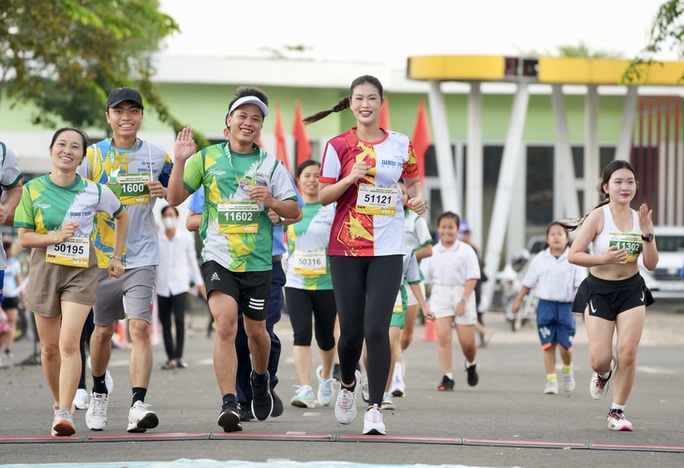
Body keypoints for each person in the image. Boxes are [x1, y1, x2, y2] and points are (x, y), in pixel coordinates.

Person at [167, 86, 300, 432]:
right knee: (225, 325)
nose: (248, 122)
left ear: (260, 127)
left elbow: (295, 209)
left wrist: (271, 201)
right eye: (242, 116)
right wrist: (180, 160)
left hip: (258, 262)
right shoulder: (207, 159)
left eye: (256, 118)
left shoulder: (271, 165)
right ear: (228, 122)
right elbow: (176, 198)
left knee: (257, 333)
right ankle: (229, 402)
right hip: (218, 258)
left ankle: (259, 381)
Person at [305, 74, 427, 435]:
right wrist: (350, 178)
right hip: (345, 248)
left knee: (378, 328)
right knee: (350, 334)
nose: (365, 105)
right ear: (351, 103)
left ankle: (375, 407)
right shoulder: (338, 145)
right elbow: (324, 196)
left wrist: (418, 197)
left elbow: (414, 182)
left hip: (389, 249)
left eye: (372, 98)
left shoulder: (401, 144)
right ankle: (347, 387)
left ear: (381, 103)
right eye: (359, 98)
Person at [14, 127, 129, 436]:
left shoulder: (94, 190)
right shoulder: (32, 189)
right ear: (52, 150)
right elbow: (24, 237)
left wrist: (117, 257)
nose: (68, 150)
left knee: (68, 342)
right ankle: (59, 405)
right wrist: (55, 237)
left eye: (75, 146)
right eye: (62, 144)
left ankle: (65, 412)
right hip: (44, 270)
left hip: (81, 272)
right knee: (49, 349)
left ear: (81, 156)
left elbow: (122, 216)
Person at [78, 87, 173, 433]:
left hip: (143, 254)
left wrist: (166, 190)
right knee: (102, 331)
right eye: (119, 111)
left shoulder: (156, 155)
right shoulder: (91, 156)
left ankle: (137, 402)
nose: (126, 117)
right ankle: (99, 388)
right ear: (108, 117)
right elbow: (74, 195)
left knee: (140, 328)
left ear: (141, 116)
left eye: (133, 111)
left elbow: (176, 192)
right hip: (101, 257)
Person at [185, 172, 303, 423]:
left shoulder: (272, 168)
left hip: (267, 265)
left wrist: (277, 213)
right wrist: (226, 213)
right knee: (235, 335)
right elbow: (191, 220)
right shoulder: (211, 169)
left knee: (262, 332)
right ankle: (242, 399)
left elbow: (296, 212)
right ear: (228, 132)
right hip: (226, 265)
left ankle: (264, 380)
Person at [566, 159, 658, 432]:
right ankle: (603, 374)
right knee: (600, 358)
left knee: (627, 352)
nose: (624, 186)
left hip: (632, 290)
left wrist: (648, 234)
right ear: (606, 187)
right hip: (599, 290)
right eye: (618, 182)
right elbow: (574, 255)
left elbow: (651, 264)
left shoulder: (641, 219)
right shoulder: (598, 217)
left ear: (636, 186)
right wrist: (603, 258)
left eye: (630, 181)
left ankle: (617, 412)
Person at [284, 160, 337, 409]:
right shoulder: (292, 208)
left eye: (317, 176)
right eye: (307, 175)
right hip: (297, 282)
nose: (313, 180)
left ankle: (325, 378)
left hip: (328, 283)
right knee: (301, 334)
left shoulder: (332, 208)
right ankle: (305, 388)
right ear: (299, 180)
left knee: (326, 338)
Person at [512, 221, 586, 394]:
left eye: (560, 234)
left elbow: (581, 286)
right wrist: (518, 302)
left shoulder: (574, 258)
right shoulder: (539, 259)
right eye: (552, 234)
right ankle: (551, 380)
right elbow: (528, 283)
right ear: (547, 238)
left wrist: (582, 306)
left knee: (564, 346)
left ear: (567, 238)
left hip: (566, 307)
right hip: (545, 306)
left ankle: (567, 370)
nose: (556, 237)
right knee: (548, 345)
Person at [420, 212, 481, 392]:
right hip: (440, 293)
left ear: (457, 229)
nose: (447, 231)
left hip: (463, 293)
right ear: (438, 229)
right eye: (443, 227)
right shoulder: (432, 251)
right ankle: (447, 376)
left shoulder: (466, 250)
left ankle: (471, 363)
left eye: (451, 227)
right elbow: (425, 278)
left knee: (467, 344)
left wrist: (463, 300)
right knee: (444, 337)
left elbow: (472, 277)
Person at [390, 180, 433, 397]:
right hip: (389, 285)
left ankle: (397, 360)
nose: (399, 195)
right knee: (392, 337)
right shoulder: (380, 220)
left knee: (405, 338)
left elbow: (428, 250)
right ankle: (395, 375)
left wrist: (403, 259)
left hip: (411, 284)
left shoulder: (415, 220)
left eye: (403, 192)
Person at [381, 246, 430, 411]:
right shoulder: (370, 240)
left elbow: (414, 279)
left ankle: (385, 393)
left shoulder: (406, 249)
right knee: (369, 351)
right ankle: (372, 379)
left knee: (390, 342)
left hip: (396, 297)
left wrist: (424, 307)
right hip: (372, 296)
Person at [156, 205, 205, 370]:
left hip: (179, 284)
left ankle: (179, 356)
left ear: (176, 217)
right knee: (165, 322)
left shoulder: (185, 238)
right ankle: (171, 358)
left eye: (171, 214)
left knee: (179, 320)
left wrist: (199, 283)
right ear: (162, 218)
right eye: (166, 215)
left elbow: (192, 261)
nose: (169, 218)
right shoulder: (156, 238)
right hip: (162, 286)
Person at [459, 221, 492, 347]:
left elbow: (478, 269)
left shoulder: (472, 249)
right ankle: (481, 335)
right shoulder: (462, 248)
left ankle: (483, 335)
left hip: (474, 286)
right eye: (463, 233)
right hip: (464, 286)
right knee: (470, 313)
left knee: (474, 312)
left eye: (467, 233)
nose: (465, 236)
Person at [1, 240, 23, 360]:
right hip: (1, 297)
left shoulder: (15, 263)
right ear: (7, 250)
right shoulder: (1, 261)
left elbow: (18, 279)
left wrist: (22, 297)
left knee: (12, 322)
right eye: (13, 248)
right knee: (3, 325)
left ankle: (8, 348)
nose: (14, 251)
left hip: (12, 296)